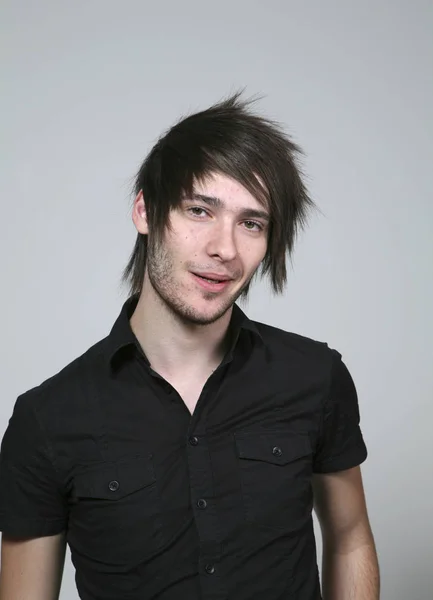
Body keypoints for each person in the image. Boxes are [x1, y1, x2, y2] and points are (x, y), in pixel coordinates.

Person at [0, 93, 380, 600]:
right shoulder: (47, 420)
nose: (224, 248)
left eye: (251, 223)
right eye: (200, 210)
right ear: (145, 210)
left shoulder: (314, 376)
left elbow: (350, 538)